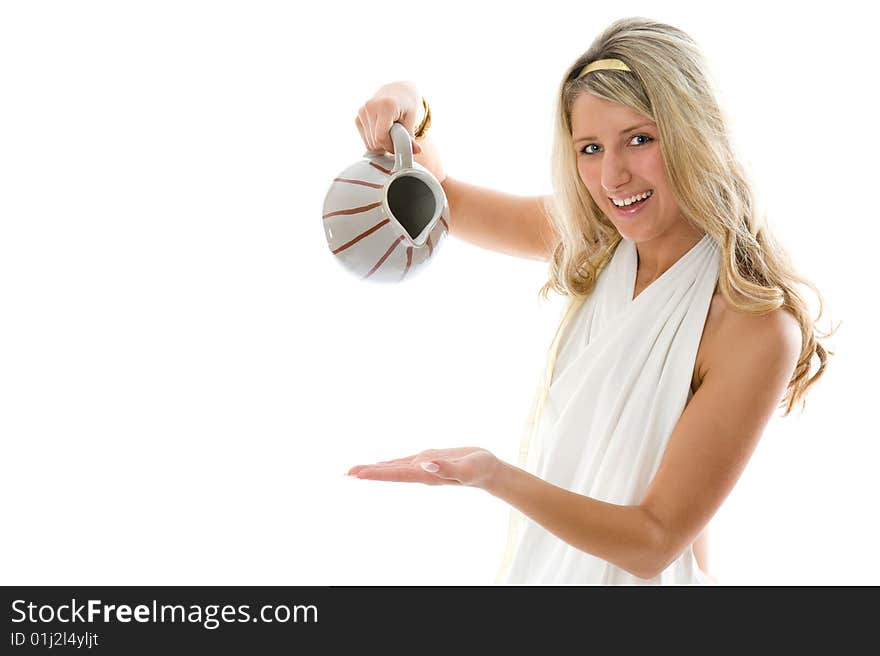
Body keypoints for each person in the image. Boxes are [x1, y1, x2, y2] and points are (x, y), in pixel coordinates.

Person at [345, 17, 834, 584]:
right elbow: (441, 193)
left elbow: (654, 543)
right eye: (590, 148)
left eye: (640, 139)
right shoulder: (595, 241)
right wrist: (404, 97)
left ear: (694, 134)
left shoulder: (755, 328)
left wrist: (492, 476)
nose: (613, 175)